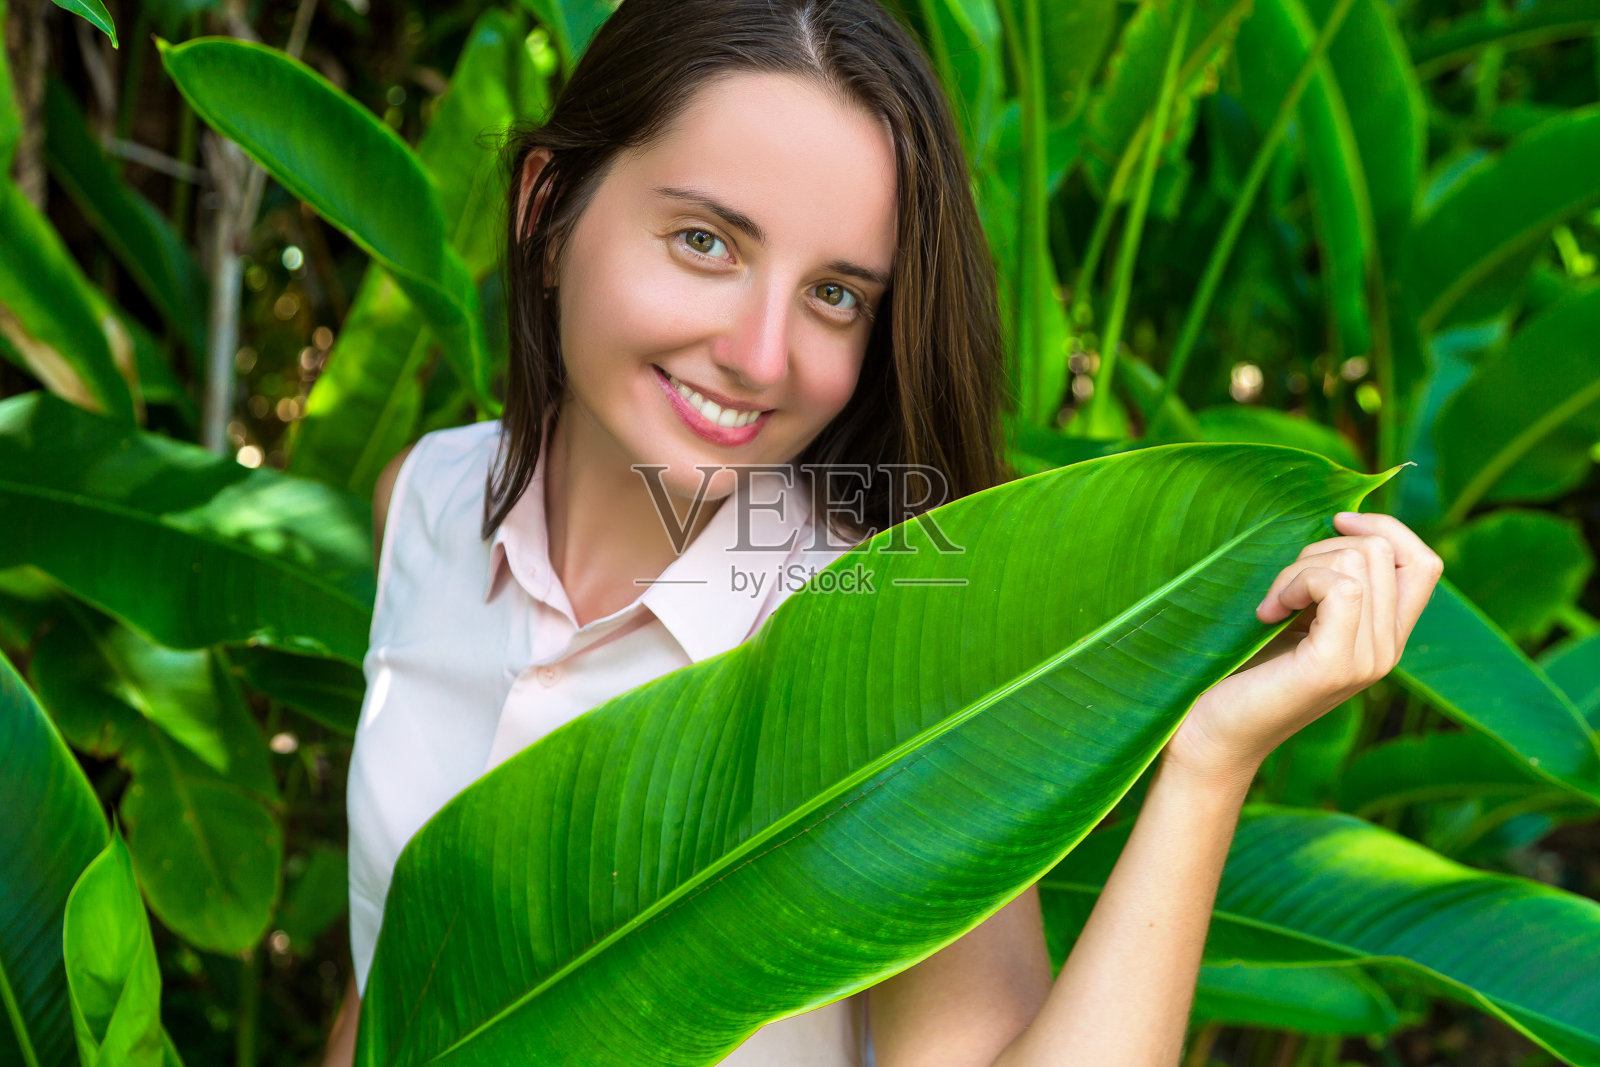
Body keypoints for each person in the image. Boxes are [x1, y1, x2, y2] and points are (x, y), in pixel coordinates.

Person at [321, 0, 1444, 1063]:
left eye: (836, 295)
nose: (761, 355)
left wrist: (1208, 759)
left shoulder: (887, 650)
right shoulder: (425, 500)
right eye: (706, 241)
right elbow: (390, 984)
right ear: (546, 210)